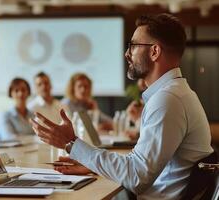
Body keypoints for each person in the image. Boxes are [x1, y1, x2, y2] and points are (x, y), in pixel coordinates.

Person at [30, 13, 213, 199]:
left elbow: (136, 177)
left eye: (133, 46)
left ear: (154, 52)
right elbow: (138, 165)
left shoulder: (168, 99)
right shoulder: (177, 93)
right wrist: (92, 164)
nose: (127, 53)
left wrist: (71, 143)